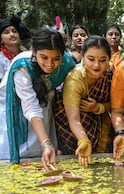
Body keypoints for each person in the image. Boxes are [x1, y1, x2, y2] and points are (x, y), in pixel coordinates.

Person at [0, 28, 75, 170]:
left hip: (43, 109)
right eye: (44, 57)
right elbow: (30, 106)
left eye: (56, 58)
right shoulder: (22, 66)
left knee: (41, 158)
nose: (50, 64)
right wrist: (46, 143)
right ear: (34, 51)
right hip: (15, 111)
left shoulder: (67, 64)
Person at [54, 36, 112, 167]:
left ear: (109, 59)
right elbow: (73, 119)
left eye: (102, 60)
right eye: (91, 59)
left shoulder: (110, 75)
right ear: (83, 56)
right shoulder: (74, 78)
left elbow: (116, 105)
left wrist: (98, 108)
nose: (97, 65)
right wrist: (83, 140)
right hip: (69, 123)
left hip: (98, 123)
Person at [0, 15, 30, 82]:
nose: (12, 34)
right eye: (6, 32)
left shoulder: (27, 54)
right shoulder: (1, 59)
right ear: (1, 39)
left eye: (14, 31)